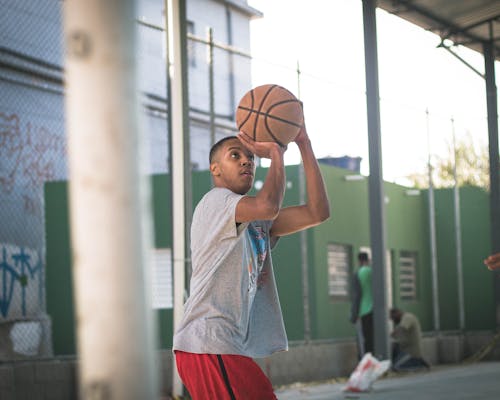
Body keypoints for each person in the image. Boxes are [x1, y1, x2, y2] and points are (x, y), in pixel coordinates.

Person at [172, 124, 330, 399]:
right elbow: (269, 205)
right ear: (215, 169)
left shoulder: (256, 221)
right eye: (235, 155)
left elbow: (317, 212)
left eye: (251, 157)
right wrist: (276, 154)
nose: (246, 160)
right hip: (208, 342)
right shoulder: (217, 201)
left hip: (220, 347)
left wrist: (303, 143)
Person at [350, 252, 374, 357]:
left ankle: (365, 363)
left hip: (363, 311)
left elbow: (357, 296)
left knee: (363, 341)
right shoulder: (373, 272)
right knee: (372, 339)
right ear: (368, 260)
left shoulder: (358, 274)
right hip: (374, 311)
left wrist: (353, 315)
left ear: (359, 261)